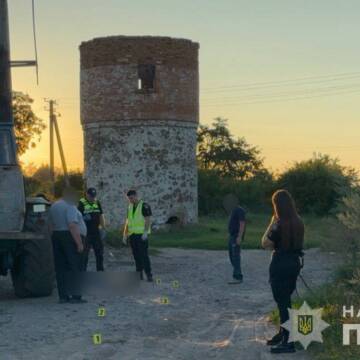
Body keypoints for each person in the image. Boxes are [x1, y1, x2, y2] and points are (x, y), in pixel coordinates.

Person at [262, 189, 304, 354]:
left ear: (277, 205)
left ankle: (288, 341)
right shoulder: (298, 221)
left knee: (283, 302)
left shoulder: (279, 224)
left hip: (280, 263)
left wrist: (271, 222)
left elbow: (265, 243)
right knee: (285, 300)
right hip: (294, 263)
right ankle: (283, 333)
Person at [49, 187, 87, 304]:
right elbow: (72, 225)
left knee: (61, 268)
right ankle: (76, 296)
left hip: (56, 236)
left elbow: (50, 224)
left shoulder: (54, 206)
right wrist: (79, 243)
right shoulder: (70, 206)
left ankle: (63, 296)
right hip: (70, 237)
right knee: (75, 266)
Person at [122, 189, 153, 282]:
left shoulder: (144, 205)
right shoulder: (130, 207)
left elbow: (148, 220)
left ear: (136, 196)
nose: (130, 200)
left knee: (144, 256)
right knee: (136, 256)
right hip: (132, 235)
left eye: (131, 198)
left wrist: (145, 232)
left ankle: (149, 275)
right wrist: (124, 234)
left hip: (141, 235)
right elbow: (127, 221)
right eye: (129, 199)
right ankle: (139, 274)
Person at [78, 187, 106, 271]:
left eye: (94, 196)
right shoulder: (81, 203)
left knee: (99, 253)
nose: (92, 198)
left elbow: (101, 215)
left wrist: (103, 228)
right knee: (84, 255)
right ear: (86, 194)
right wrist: (83, 217)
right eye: (91, 196)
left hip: (96, 231)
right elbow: (77, 217)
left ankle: (100, 272)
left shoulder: (97, 202)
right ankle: (83, 273)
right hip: (86, 233)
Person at [227, 200, 246, 284]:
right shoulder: (233, 211)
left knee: (236, 256)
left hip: (236, 236)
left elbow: (242, 223)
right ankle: (236, 273)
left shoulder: (239, 210)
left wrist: (239, 236)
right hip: (232, 236)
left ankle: (238, 276)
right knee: (231, 256)